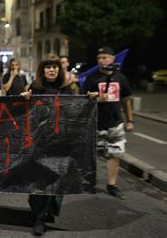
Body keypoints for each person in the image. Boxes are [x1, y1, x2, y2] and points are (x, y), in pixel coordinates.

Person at [21, 54, 76, 236]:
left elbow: (77, 110)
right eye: (47, 67)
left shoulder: (66, 90)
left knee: (53, 181)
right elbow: (24, 112)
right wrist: (24, 99)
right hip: (39, 142)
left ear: (59, 70)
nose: (51, 70)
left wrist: (90, 98)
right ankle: (39, 214)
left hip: (60, 143)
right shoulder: (35, 88)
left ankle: (42, 215)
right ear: (42, 70)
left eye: (54, 67)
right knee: (38, 181)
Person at [84, 46, 134, 200]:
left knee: (114, 154)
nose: (101, 60)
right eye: (99, 58)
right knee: (92, 154)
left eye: (105, 57)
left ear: (113, 59)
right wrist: (95, 98)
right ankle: (87, 181)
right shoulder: (92, 78)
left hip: (115, 123)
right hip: (95, 122)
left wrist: (130, 120)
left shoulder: (120, 78)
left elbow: (126, 101)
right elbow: (84, 100)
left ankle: (112, 184)